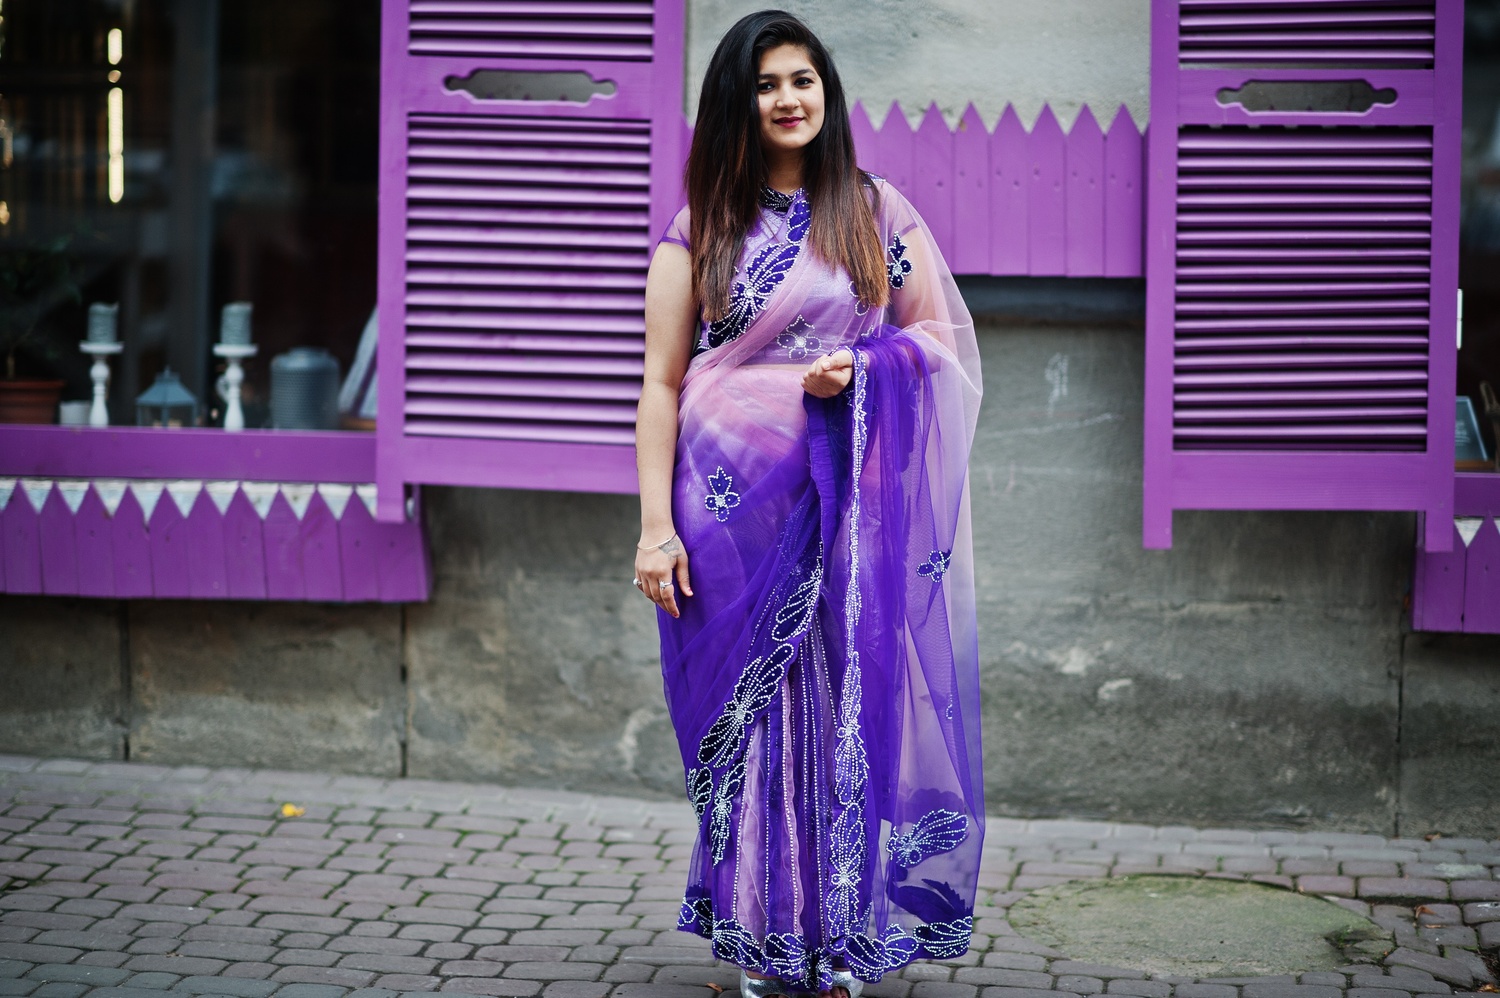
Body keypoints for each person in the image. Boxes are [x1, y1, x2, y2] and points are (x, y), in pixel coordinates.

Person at [632, 11, 984, 998]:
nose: (788, 97)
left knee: (838, 713)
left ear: (826, 95)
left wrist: (859, 370)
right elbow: (661, 384)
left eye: (803, 79)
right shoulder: (702, 225)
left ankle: (838, 934)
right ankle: (764, 936)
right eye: (765, 82)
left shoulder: (874, 213)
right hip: (724, 508)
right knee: (756, 724)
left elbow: (942, 341)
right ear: (736, 102)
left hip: (840, 504)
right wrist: (656, 526)